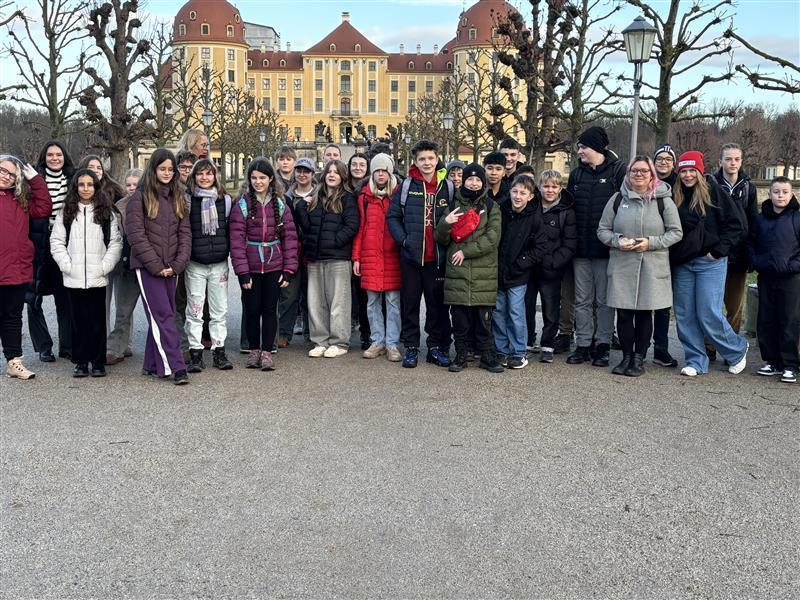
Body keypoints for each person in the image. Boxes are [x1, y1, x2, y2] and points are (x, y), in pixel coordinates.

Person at [597, 156, 683, 377]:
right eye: (634, 170)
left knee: (645, 314)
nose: (639, 175)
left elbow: (676, 232)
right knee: (624, 314)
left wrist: (650, 243)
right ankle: (626, 357)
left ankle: (638, 359)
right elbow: (603, 230)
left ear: (652, 174)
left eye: (644, 171)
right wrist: (617, 240)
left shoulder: (663, 200)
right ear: (628, 174)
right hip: (622, 264)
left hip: (652, 266)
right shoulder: (617, 199)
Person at [669, 150, 748, 377]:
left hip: (709, 262)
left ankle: (736, 350)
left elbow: (736, 225)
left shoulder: (714, 191)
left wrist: (718, 251)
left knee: (708, 311)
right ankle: (696, 360)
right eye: (683, 171)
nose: (687, 175)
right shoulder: (674, 194)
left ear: (700, 171)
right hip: (683, 262)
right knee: (685, 314)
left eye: (692, 170)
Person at [126, 149, 192, 385]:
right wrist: (155, 266)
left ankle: (151, 363)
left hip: (171, 268)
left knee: (162, 314)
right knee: (163, 315)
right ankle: (176, 366)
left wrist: (177, 264)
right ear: (153, 170)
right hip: (148, 268)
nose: (167, 173)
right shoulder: (139, 198)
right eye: (162, 169)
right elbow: (136, 235)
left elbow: (185, 234)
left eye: (171, 169)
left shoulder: (177, 197)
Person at [386, 139, 453, 369]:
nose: (427, 163)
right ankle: (412, 347)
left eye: (430, 158)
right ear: (415, 161)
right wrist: (404, 240)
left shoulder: (447, 187)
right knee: (410, 304)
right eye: (422, 159)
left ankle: (435, 347)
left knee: (436, 306)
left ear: (437, 159)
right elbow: (393, 216)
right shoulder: (407, 186)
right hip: (412, 257)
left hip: (437, 257)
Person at [50, 169, 122, 378]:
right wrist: (67, 265)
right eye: (81, 185)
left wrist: (104, 267)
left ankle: (98, 361)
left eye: (90, 184)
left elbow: (115, 242)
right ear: (75, 187)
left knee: (97, 322)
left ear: (96, 187)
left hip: (97, 276)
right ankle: (80, 361)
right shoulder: (66, 212)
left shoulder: (105, 212)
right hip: (74, 277)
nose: (86, 188)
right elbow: (57, 242)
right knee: (78, 321)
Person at [230, 158, 298, 370]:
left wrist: (289, 269)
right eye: (254, 178)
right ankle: (253, 349)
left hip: (273, 265)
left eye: (262, 178)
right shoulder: (242, 205)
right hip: (250, 266)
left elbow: (290, 238)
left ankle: (267, 350)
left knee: (269, 310)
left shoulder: (280, 204)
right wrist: (242, 272)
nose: (258, 182)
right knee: (251, 309)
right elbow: (236, 241)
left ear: (270, 179)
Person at [566, 126, 625, 367]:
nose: (579, 151)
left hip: (605, 250)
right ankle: (582, 344)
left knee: (603, 300)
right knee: (581, 300)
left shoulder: (617, 172)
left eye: (583, 147)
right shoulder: (576, 175)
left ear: (597, 148)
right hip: (580, 250)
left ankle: (602, 344)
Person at [435, 163, 503, 373]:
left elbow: (492, 238)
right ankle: (461, 355)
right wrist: (445, 223)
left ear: (483, 183)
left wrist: (466, 252)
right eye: (470, 179)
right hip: (458, 273)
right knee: (460, 320)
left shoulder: (491, 206)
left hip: (484, 272)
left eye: (478, 180)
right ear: (463, 181)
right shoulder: (453, 205)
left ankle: (487, 355)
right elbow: (440, 238)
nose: (474, 183)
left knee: (484, 320)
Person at [296, 160, 359, 358]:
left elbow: (352, 225)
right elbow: (307, 227)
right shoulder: (316, 197)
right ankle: (320, 341)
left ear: (342, 176)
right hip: (315, 258)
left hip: (338, 257)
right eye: (329, 172)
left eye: (336, 172)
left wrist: (334, 241)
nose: (332, 175)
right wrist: (301, 207)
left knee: (338, 302)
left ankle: (339, 342)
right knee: (316, 302)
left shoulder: (347, 198)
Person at [0, 155, 51, 379]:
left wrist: (36, 181)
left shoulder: (21, 200)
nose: (6, 176)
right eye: (2, 170)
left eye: (11, 174)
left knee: (12, 317)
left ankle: (14, 362)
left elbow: (44, 207)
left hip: (16, 269)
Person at [183, 159, 235, 373]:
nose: (204, 178)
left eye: (209, 173)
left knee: (219, 310)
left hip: (219, 263)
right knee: (195, 311)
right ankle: (195, 351)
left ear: (215, 176)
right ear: (194, 177)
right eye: (200, 174)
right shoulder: (187, 200)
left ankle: (219, 350)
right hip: (195, 263)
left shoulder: (225, 201)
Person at [709, 142, 758, 361]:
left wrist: (750, 253)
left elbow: (752, 223)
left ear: (741, 161)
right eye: (728, 159)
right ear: (720, 161)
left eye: (736, 159)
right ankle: (709, 347)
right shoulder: (710, 184)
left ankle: (730, 348)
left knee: (735, 306)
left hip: (738, 255)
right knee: (711, 305)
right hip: (715, 252)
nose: (732, 163)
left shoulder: (748, 188)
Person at [748, 176, 799, 384]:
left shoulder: (797, 218)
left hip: (791, 278)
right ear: (769, 194)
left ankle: (790, 365)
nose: (780, 196)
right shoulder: (760, 219)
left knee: (789, 320)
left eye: (785, 192)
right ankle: (771, 361)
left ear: (791, 194)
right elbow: (750, 244)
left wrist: (792, 266)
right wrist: (756, 261)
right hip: (767, 276)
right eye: (776, 192)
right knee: (766, 319)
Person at [352, 153, 402, 361]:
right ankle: (377, 341)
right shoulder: (364, 197)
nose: (380, 174)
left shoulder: (399, 195)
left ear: (390, 172)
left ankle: (392, 343)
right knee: (372, 302)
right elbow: (360, 228)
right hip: (370, 254)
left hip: (393, 255)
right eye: (377, 171)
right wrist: (356, 257)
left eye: (384, 170)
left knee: (393, 302)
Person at [29, 140, 76, 362]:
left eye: (58, 154)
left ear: (64, 156)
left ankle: (67, 345)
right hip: (37, 241)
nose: (55, 158)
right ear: (44, 157)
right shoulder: (33, 179)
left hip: (63, 242)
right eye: (50, 155)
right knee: (34, 297)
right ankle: (43, 346)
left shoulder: (73, 179)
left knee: (64, 297)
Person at [528, 170, 577, 364]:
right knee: (526, 307)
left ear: (560, 188)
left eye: (554, 186)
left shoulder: (566, 211)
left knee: (551, 309)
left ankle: (547, 344)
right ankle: (527, 340)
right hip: (530, 266)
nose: (550, 190)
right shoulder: (531, 207)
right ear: (539, 187)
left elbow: (570, 243)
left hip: (552, 269)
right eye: (546, 186)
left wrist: (554, 262)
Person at [494, 175, 539, 369]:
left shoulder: (534, 217)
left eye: (523, 193)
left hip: (518, 274)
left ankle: (518, 351)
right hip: (498, 271)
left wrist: (521, 264)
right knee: (498, 312)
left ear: (530, 196)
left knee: (515, 312)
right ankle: (501, 350)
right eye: (515, 191)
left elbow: (539, 248)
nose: (518, 196)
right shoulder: (501, 210)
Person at [106, 168, 143, 365]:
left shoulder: (153, 203)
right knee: (123, 310)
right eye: (128, 184)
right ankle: (116, 348)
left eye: (135, 184)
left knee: (162, 311)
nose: (131, 188)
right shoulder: (119, 206)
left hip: (150, 264)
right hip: (127, 264)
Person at [277, 156, 314, 347]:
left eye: (306, 171)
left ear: (312, 174)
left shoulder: (319, 195)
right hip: (291, 250)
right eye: (299, 170)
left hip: (311, 250)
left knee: (311, 295)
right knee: (288, 295)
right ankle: (284, 333)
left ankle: (311, 332)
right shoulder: (286, 196)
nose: (302, 174)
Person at [651, 144, 680, 367]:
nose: (663, 162)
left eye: (668, 159)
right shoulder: (645, 182)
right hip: (649, 249)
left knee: (663, 304)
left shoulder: (681, 184)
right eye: (659, 158)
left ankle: (661, 348)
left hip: (673, 250)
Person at [348, 152, 371, 349]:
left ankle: (367, 332)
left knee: (365, 294)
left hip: (364, 246)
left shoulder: (369, 188)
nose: (357, 168)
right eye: (354, 164)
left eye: (361, 164)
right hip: (345, 245)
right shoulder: (343, 186)